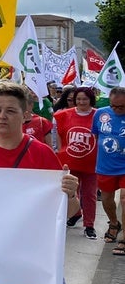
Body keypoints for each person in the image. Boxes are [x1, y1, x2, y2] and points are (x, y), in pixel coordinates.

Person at [0, 81, 80, 214]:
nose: (2, 116)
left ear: (25, 115)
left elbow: (70, 212)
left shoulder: (42, 153)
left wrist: (70, 194)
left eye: (10, 111)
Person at [55, 87, 98, 239]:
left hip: (91, 163)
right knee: (70, 192)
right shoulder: (63, 115)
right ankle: (75, 214)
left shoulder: (98, 115)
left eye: (85, 99)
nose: (81, 102)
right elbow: (60, 137)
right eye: (78, 99)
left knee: (89, 194)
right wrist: (61, 152)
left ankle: (89, 225)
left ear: (91, 100)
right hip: (70, 162)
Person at [92, 87, 125, 254]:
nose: (117, 110)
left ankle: (124, 237)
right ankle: (114, 223)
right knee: (106, 200)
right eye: (114, 106)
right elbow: (96, 136)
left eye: (121, 107)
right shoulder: (100, 114)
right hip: (106, 166)